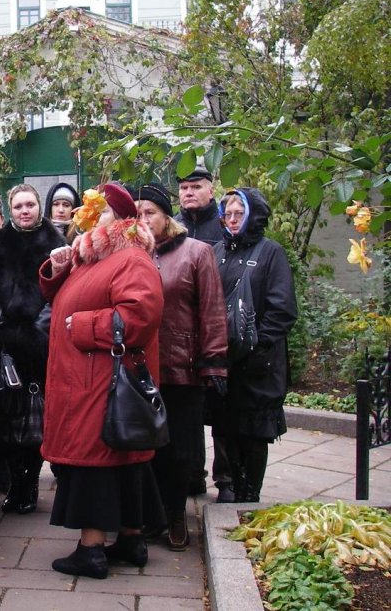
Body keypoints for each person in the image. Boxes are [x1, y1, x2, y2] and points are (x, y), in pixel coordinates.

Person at [39, 182, 164, 580]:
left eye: (101, 212)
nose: (89, 218)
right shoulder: (93, 257)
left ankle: (91, 550)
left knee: (97, 463)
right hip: (93, 379)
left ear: (122, 220)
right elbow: (69, 298)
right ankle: (131, 539)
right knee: (121, 461)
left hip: (103, 382)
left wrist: (85, 326)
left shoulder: (130, 257)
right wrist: (57, 273)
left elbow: (139, 317)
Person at [136, 183, 228, 550]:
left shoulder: (196, 252)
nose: (143, 220)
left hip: (181, 368)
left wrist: (214, 363)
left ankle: (176, 515)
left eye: (150, 213)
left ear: (166, 215)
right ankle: (151, 515)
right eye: (138, 214)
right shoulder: (131, 252)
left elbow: (212, 310)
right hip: (141, 369)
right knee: (146, 446)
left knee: (180, 449)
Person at [0, 183, 63, 514]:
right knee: (8, 418)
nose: (25, 211)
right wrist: (2, 325)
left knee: (35, 419)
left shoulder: (56, 242)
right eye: (18, 206)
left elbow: (61, 290)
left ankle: (30, 484)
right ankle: (14, 483)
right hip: (7, 343)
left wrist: (38, 329)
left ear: (38, 207)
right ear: (10, 209)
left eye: (30, 205)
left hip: (41, 343)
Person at [217, 188, 297, 503]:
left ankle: (250, 493)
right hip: (225, 359)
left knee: (254, 431)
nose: (233, 220)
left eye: (239, 213)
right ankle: (230, 486)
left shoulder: (270, 252)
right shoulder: (216, 252)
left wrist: (258, 343)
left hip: (259, 361)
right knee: (226, 427)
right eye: (228, 214)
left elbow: (283, 308)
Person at [174, 165, 228, 499]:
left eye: (196, 186)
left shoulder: (222, 226)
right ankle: (192, 474)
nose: (189, 193)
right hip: (180, 335)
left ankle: (225, 478)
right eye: (183, 188)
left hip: (212, 328)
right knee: (187, 415)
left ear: (211, 189)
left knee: (220, 412)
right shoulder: (173, 226)